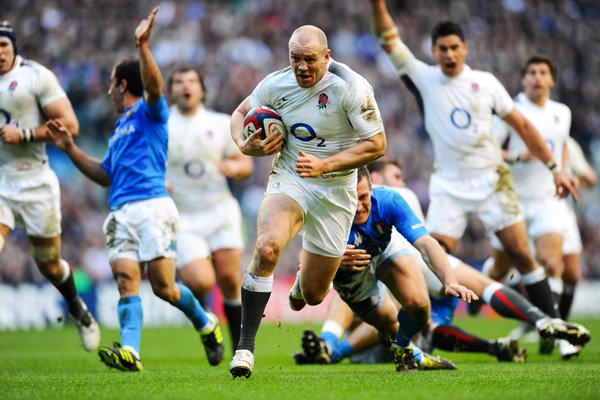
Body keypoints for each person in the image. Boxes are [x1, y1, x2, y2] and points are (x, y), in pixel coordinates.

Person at [368, 0, 577, 323]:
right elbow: (388, 38)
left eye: (454, 47)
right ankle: (433, 327)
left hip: (492, 180)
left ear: (465, 48)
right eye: (442, 49)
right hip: (450, 186)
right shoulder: (423, 77)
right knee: (435, 257)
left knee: (522, 254)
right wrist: (377, 4)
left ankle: (556, 327)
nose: (449, 54)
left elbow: (521, 125)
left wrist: (555, 169)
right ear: (433, 52)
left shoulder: (487, 83)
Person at [46, 7, 223, 372]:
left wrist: (143, 45)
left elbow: (156, 87)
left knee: (164, 287)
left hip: (153, 207)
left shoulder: (149, 113)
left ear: (122, 85)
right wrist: (70, 149)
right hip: (120, 210)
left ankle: (206, 324)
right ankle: (131, 352)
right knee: (127, 281)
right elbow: (105, 173)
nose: (110, 90)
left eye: (113, 84)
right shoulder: (119, 131)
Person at [295, 162, 589, 365]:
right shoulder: (333, 211)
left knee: (414, 313)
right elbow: (308, 258)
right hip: (373, 284)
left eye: (364, 197)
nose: (403, 182)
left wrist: (449, 280)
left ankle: (333, 346)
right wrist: (330, 261)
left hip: (404, 267)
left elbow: (426, 244)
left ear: (373, 186)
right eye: (396, 176)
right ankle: (539, 320)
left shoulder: (393, 201)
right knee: (385, 310)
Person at [227, 25, 387, 378]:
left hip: (336, 189)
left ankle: (303, 280)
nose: (301, 67)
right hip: (292, 177)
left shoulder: (351, 86)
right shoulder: (274, 84)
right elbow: (239, 115)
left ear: (326, 57)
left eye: (310, 59)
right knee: (267, 248)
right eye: (295, 59)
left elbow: (377, 145)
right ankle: (245, 349)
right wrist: (244, 144)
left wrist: (326, 164)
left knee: (313, 297)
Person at [0, 21, 100, 352]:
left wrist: (25, 134)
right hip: (1, 181)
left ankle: (78, 309)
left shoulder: (35, 76)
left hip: (35, 181)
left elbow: (69, 124)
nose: (0, 53)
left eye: (4, 45)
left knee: (50, 264)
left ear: (14, 47)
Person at [487, 55, 575, 354]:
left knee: (552, 264)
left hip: (548, 199)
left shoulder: (562, 112)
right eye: (532, 73)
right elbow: (490, 149)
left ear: (552, 79)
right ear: (524, 79)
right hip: (513, 201)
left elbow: (561, 145)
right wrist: (515, 157)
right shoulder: (511, 111)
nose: (537, 77)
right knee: (501, 268)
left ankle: (558, 335)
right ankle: (488, 274)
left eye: (543, 73)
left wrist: (562, 173)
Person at [166, 66, 252, 353]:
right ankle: (206, 324)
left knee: (229, 281)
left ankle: (241, 347)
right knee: (200, 281)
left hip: (220, 210)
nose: (185, 86)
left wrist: (234, 167)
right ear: (171, 90)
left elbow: (245, 164)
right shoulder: (161, 125)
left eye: (191, 81)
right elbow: (147, 165)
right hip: (184, 216)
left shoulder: (221, 122)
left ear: (202, 90)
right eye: (179, 81)